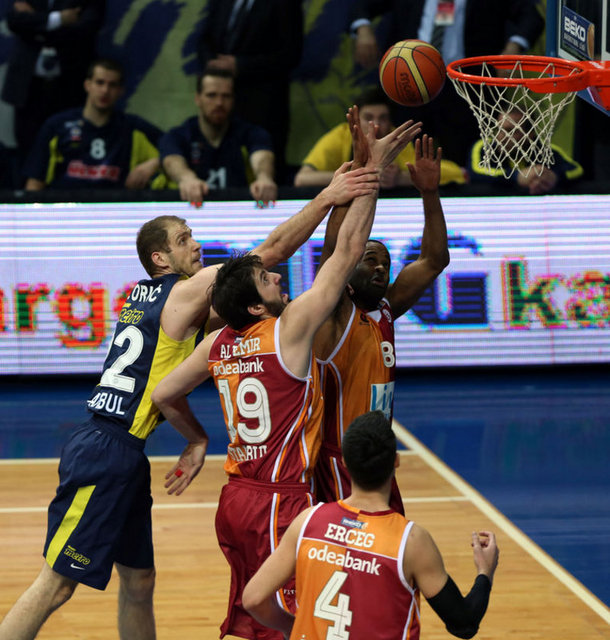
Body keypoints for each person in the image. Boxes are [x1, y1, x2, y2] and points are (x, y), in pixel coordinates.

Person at [0, 162, 381, 640]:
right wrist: (328, 197)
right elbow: (271, 252)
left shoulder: (147, 299)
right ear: (160, 258)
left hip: (125, 452)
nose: (195, 244)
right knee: (56, 585)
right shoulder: (181, 293)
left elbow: (176, 377)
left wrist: (197, 440)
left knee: (140, 580)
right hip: (105, 450)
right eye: (183, 239)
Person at [151, 115, 422, 640]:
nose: (278, 276)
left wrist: (197, 440)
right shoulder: (288, 331)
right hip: (279, 498)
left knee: (253, 617)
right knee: (297, 618)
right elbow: (346, 253)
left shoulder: (217, 342)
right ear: (256, 305)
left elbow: (164, 393)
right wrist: (372, 172)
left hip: (233, 498)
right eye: (266, 278)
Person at [242, 410, 500, 640]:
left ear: (344, 462)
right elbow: (464, 625)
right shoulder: (411, 542)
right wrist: (485, 571)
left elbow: (253, 598)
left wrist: (292, 626)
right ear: (396, 461)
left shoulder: (307, 522)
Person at [313, 106, 449, 514]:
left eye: (385, 263)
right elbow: (336, 248)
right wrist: (360, 168)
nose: (380, 268)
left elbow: (434, 260)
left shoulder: (386, 308)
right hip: (339, 462)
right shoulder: (335, 312)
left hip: (377, 460)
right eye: (369, 260)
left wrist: (429, 193)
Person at [348, 0, 545, 165]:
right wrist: (363, 30)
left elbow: (532, 17)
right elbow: (361, 5)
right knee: (403, 157)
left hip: (466, 88)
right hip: (411, 83)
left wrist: (514, 46)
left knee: (465, 158)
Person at [196, 0, 303, 183]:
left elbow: (290, 54)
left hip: (262, 105)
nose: (218, 101)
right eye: (210, 95)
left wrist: (240, 66)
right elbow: (204, 38)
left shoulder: (284, 4)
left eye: (222, 96)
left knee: (263, 164)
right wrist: (213, 66)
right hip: (223, 107)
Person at [23, 58, 163, 191]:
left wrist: (154, 163)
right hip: (65, 206)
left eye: (112, 85)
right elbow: (35, 182)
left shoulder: (132, 127)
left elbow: (172, 148)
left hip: (113, 206)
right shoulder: (57, 126)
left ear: (121, 91)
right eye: (100, 82)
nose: (105, 91)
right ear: (87, 85)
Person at [294, 88, 466, 189]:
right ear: (355, 120)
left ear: (390, 121)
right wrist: (359, 176)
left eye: (383, 118)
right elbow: (302, 179)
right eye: (368, 117)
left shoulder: (396, 138)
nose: (376, 125)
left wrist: (400, 179)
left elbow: (460, 173)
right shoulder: (341, 136)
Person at [1, 0, 105, 166]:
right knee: (27, 152)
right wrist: (58, 19)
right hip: (28, 89)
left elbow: (86, 29)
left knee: (69, 150)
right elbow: (14, 21)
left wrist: (35, 22)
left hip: (68, 87)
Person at [160, 67, 278, 205]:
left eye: (226, 96)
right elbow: (172, 160)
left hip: (239, 211)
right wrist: (186, 178)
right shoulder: (178, 135)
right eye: (211, 95)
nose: (219, 103)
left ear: (233, 99)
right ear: (198, 98)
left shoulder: (252, 133)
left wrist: (264, 177)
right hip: (191, 213)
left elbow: (262, 156)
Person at [467, 106, 583, 194]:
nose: (502, 136)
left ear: (530, 134)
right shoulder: (483, 146)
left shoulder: (546, 150)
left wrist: (554, 177)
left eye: (511, 131)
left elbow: (576, 169)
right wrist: (517, 176)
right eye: (499, 129)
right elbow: (475, 172)